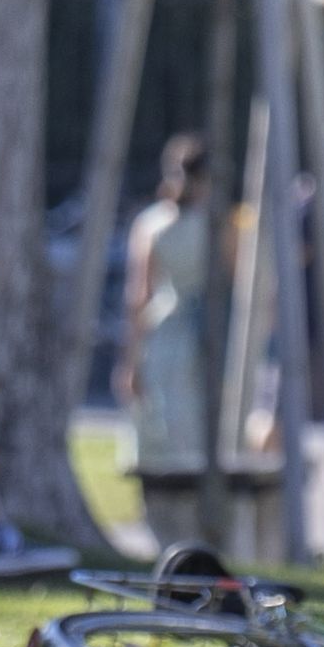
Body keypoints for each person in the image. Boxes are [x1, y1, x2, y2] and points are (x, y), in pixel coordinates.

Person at [116, 136, 217, 535]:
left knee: (163, 432)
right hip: (187, 337)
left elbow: (136, 299)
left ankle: (169, 528)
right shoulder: (213, 223)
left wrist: (129, 358)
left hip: (173, 338)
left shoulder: (154, 223)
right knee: (175, 430)